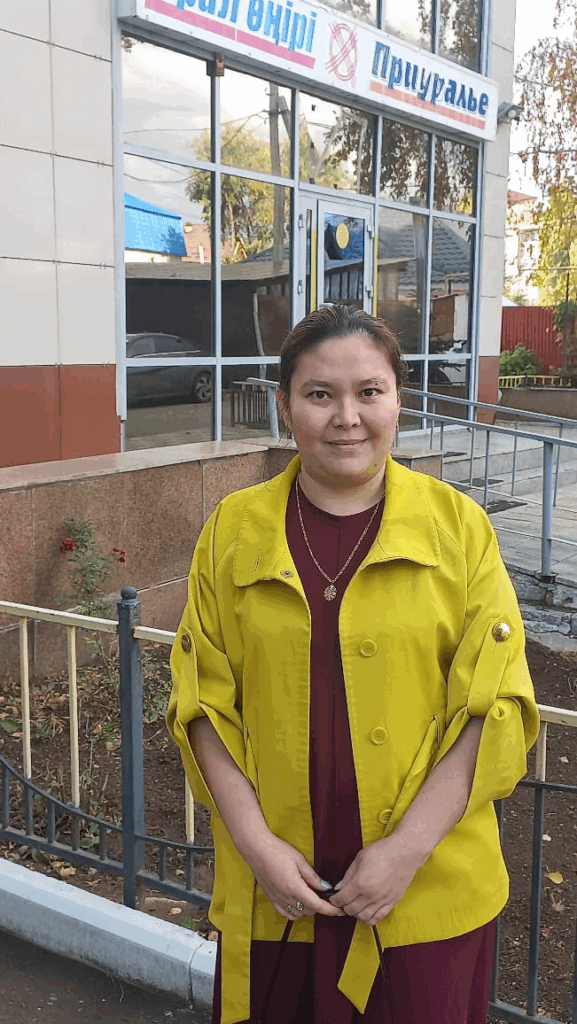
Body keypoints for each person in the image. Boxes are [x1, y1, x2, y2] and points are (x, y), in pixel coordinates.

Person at [167, 305, 540, 1024]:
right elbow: (201, 701)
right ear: (284, 406)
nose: (347, 417)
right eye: (319, 394)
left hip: (424, 892)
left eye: (369, 392)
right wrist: (255, 846)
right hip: (279, 893)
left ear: (397, 400)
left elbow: (493, 706)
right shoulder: (231, 532)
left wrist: (405, 852)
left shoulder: (459, 530)